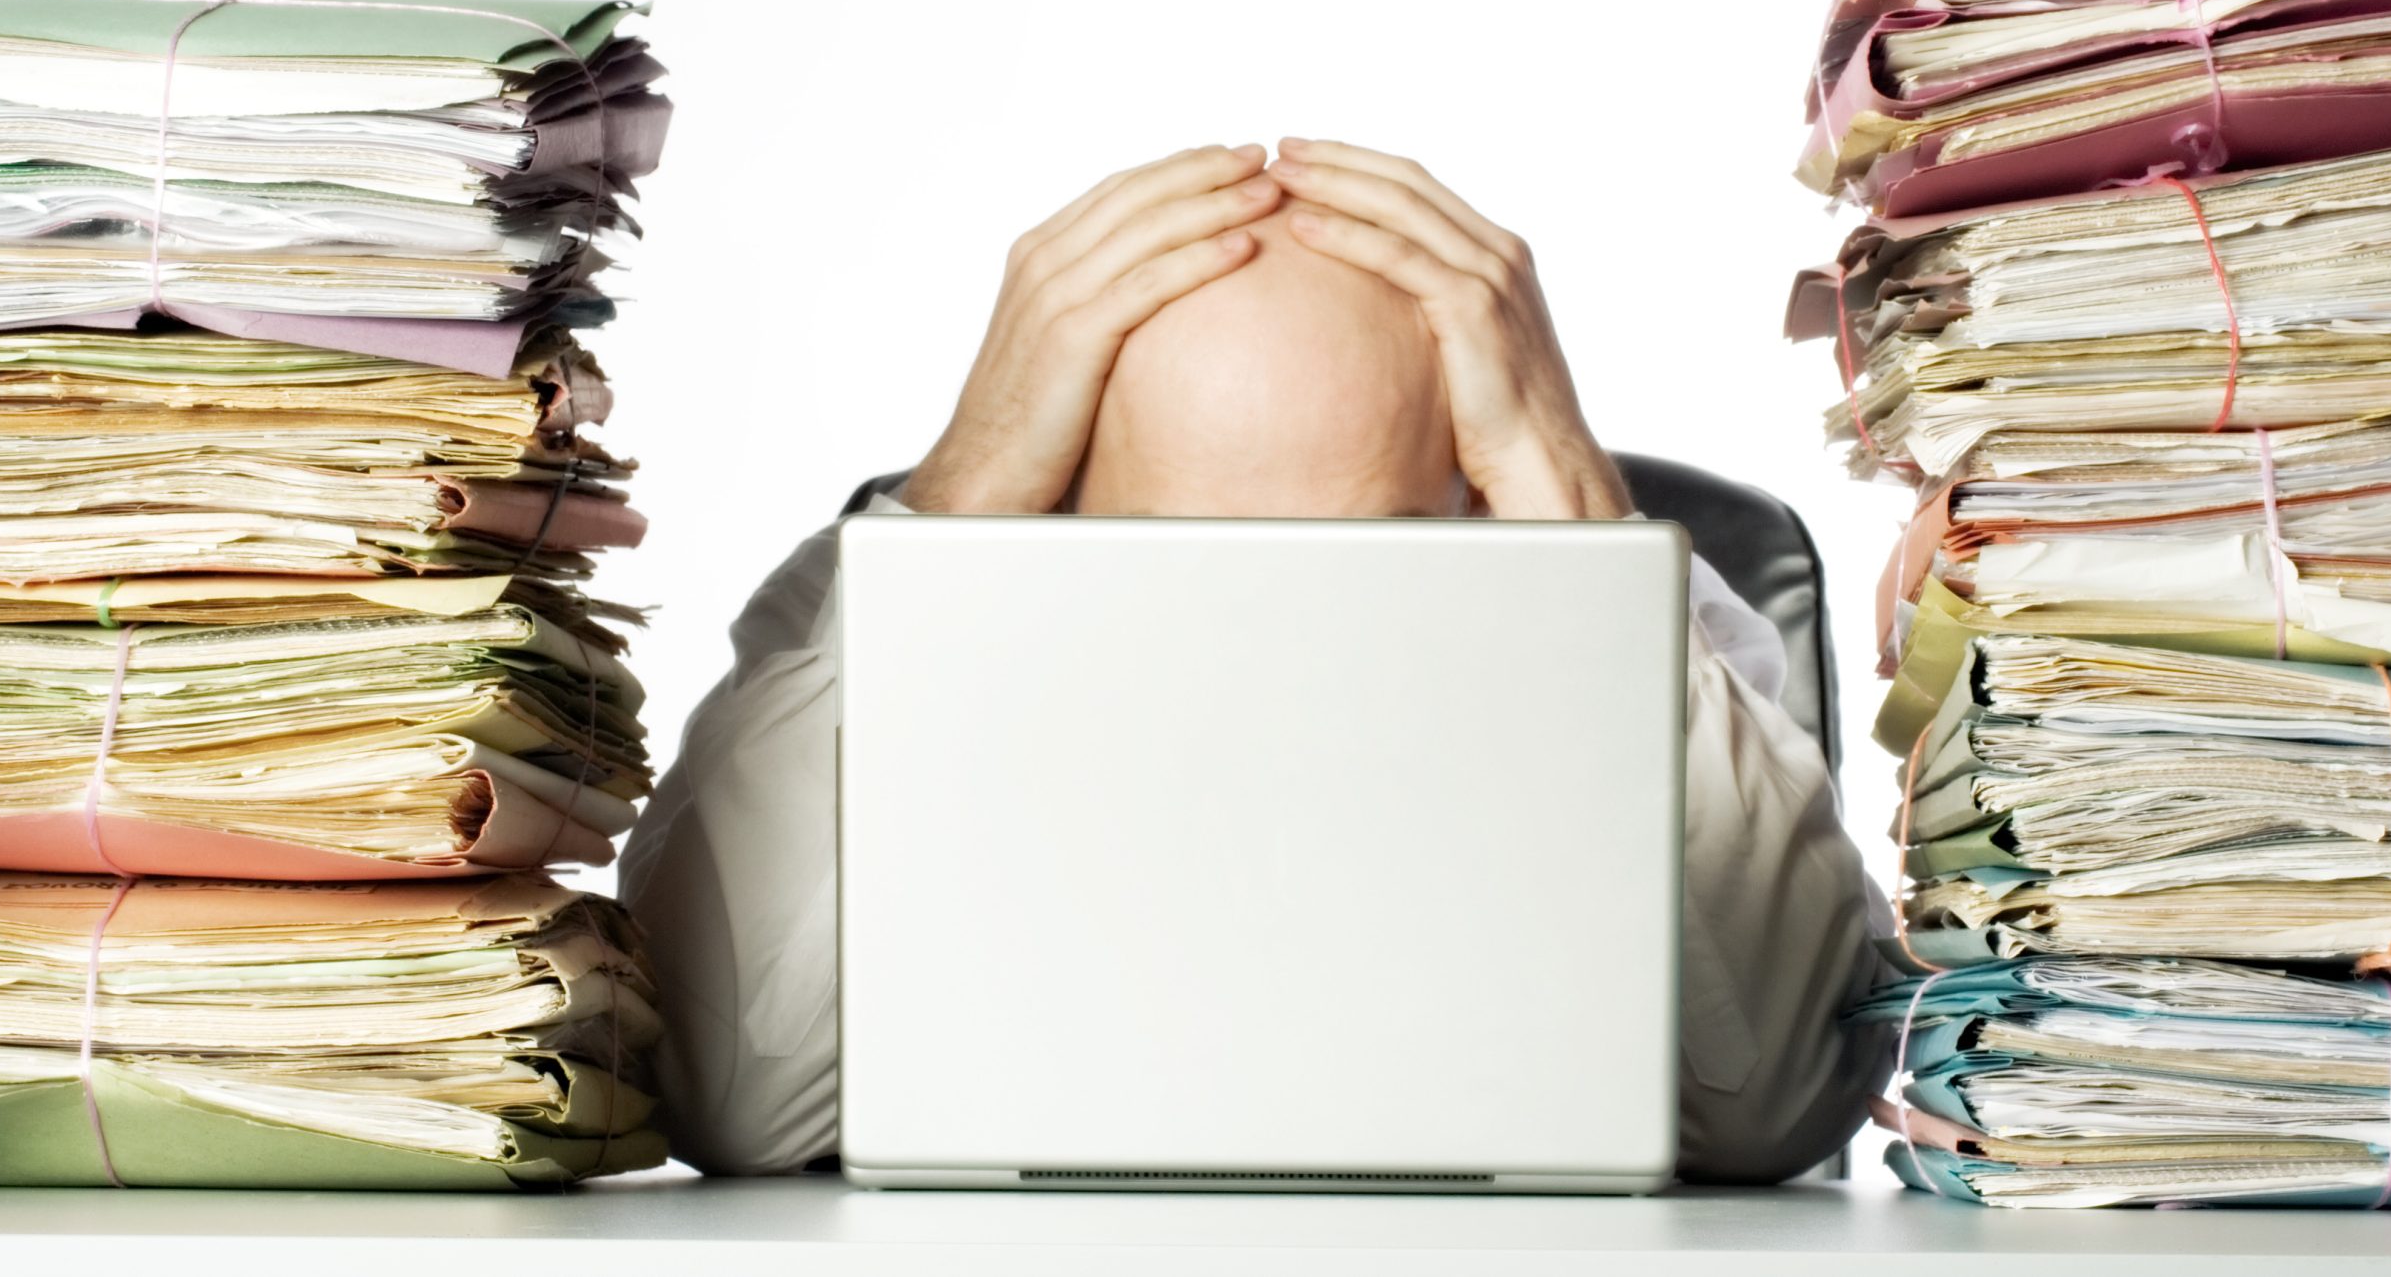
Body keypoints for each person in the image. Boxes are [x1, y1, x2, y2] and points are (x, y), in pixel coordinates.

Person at [619, 138, 1887, 1181]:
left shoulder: (1643, 609)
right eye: (1186, 553)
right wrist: (962, 498)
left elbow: (1766, 1105)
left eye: (1374, 552)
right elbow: (737, 1106)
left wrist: (1579, 531)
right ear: (1050, 512)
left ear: (1474, 511)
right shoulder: (893, 608)